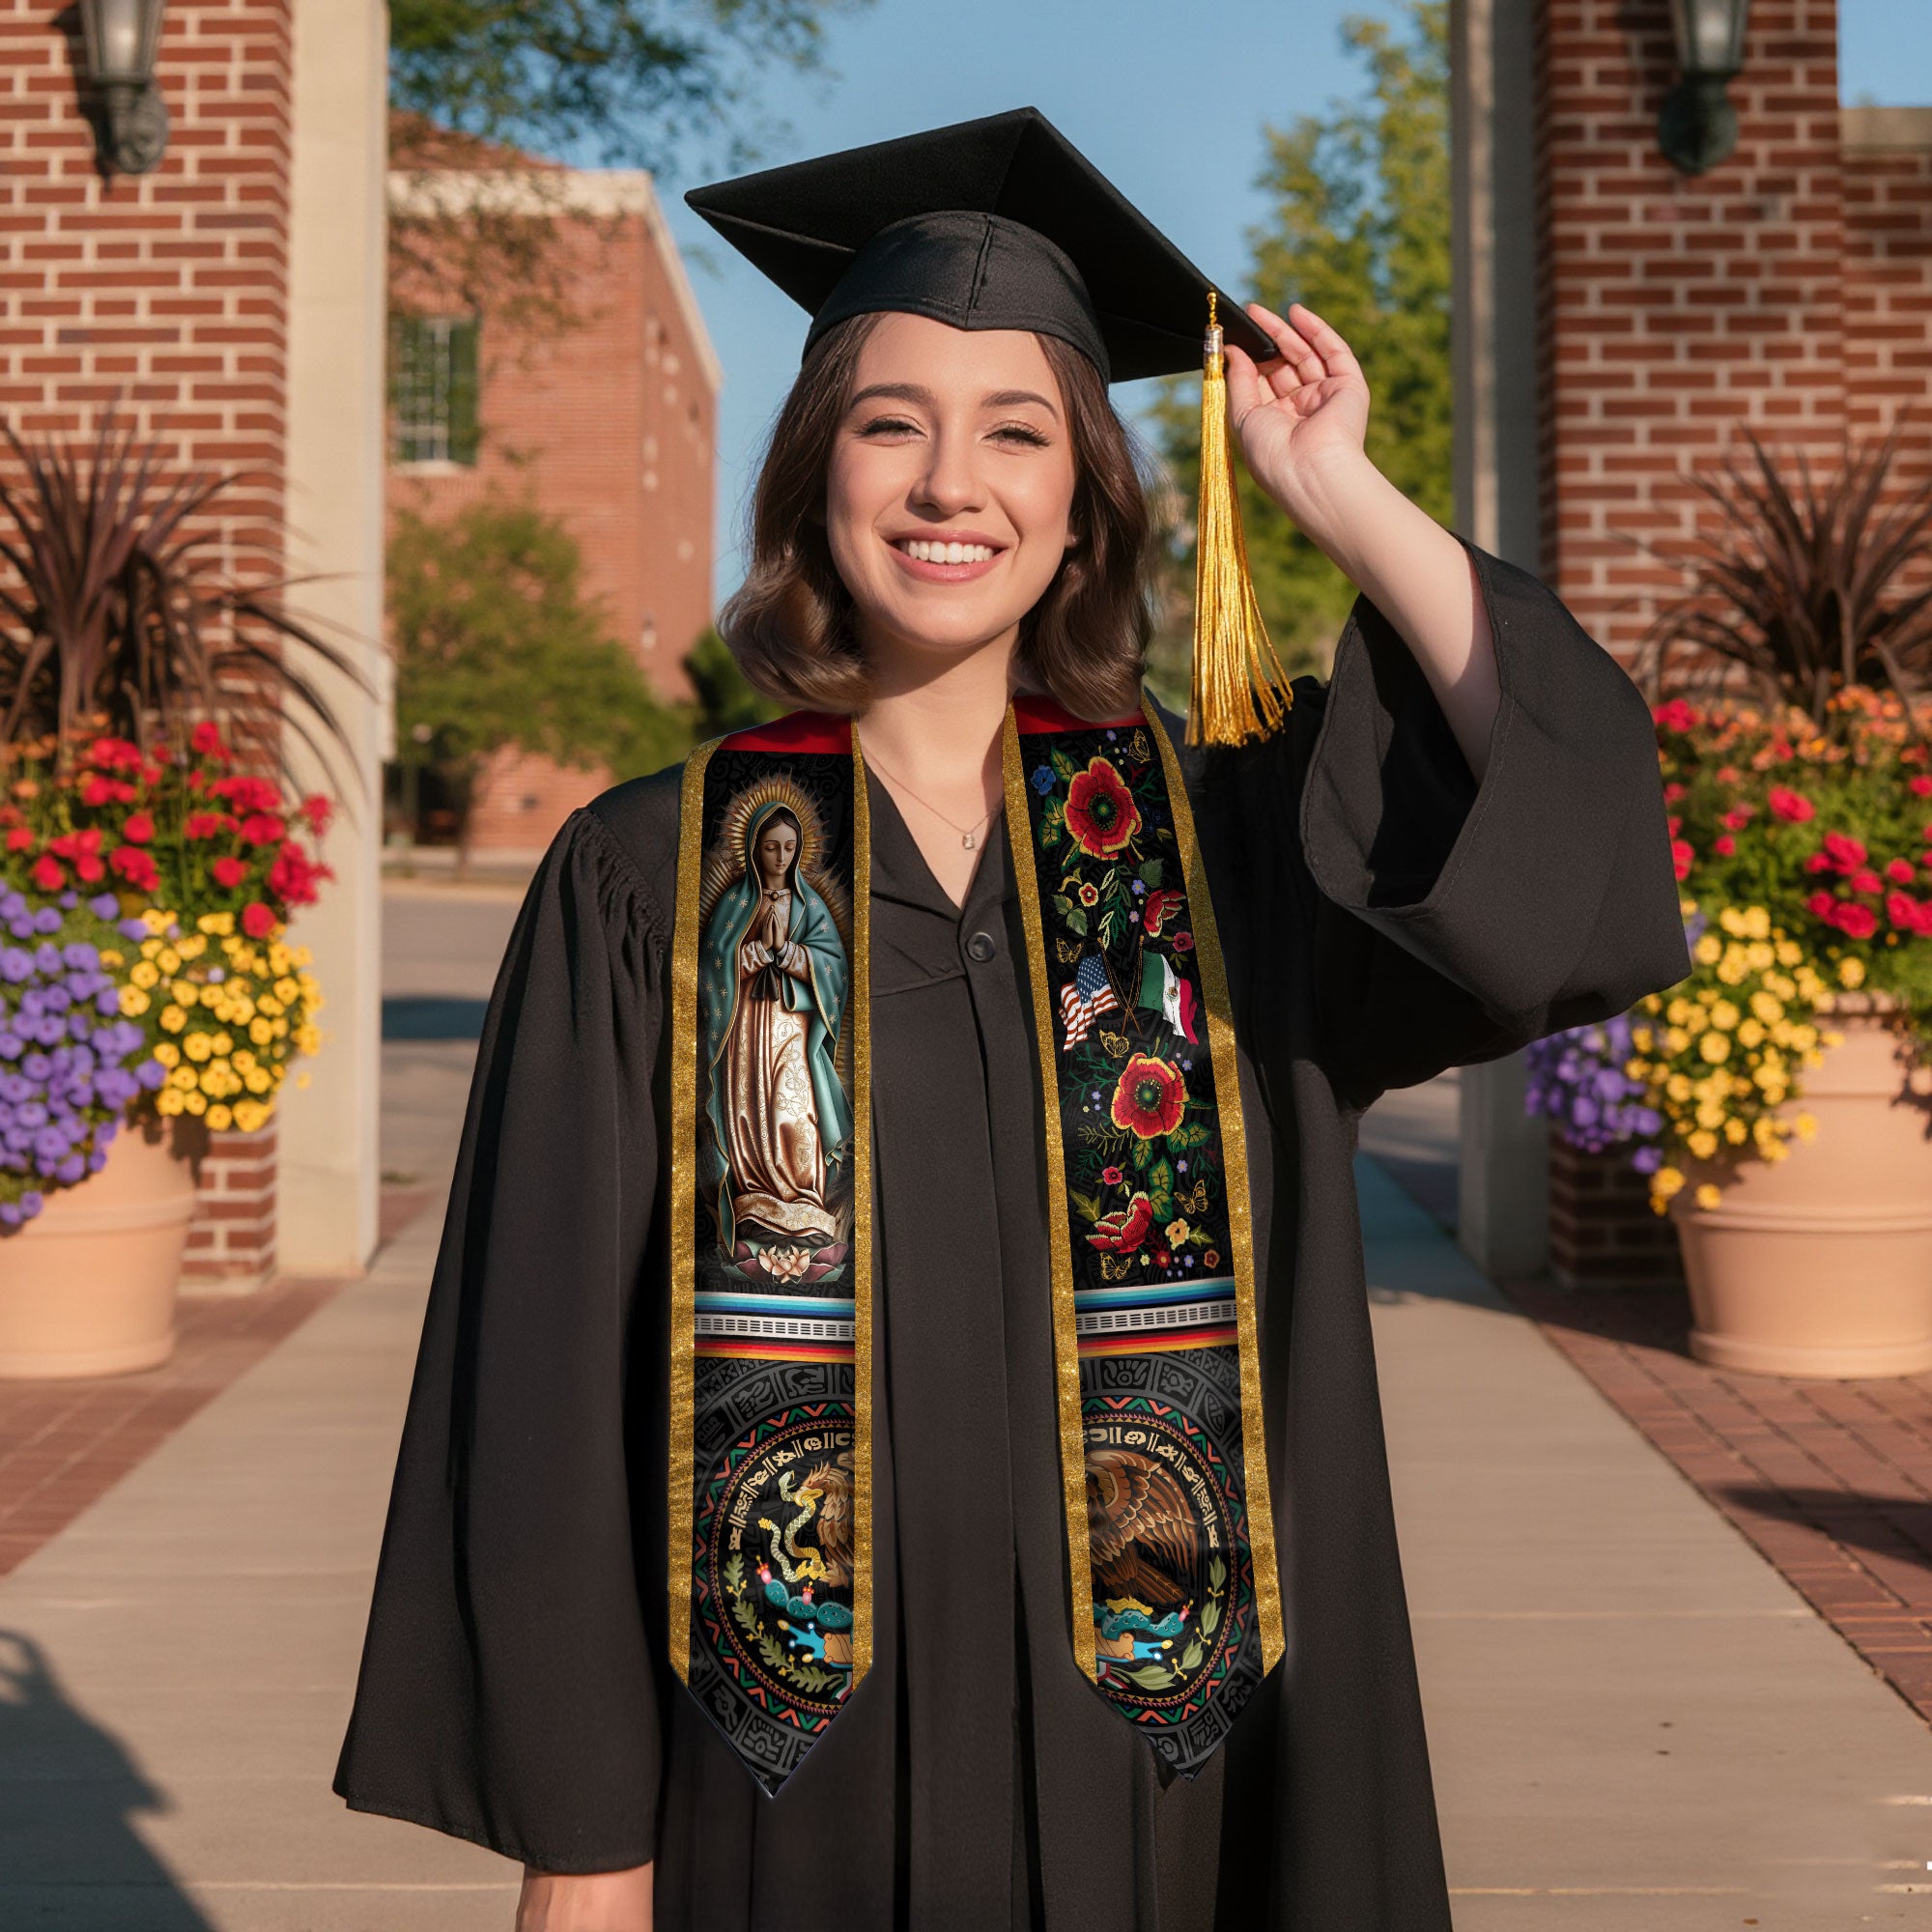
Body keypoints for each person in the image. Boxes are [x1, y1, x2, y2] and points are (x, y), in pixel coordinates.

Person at [332, 108, 1691, 1932]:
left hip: (1182, 1793)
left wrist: (1337, 492)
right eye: (892, 424)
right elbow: (546, 1388)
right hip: (779, 1797)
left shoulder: (1235, 852)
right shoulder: (647, 879)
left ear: (1083, 504)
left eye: (1016, 433)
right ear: (819, 472)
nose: (948, 484)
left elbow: (1560, 829)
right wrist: (585, 1843)